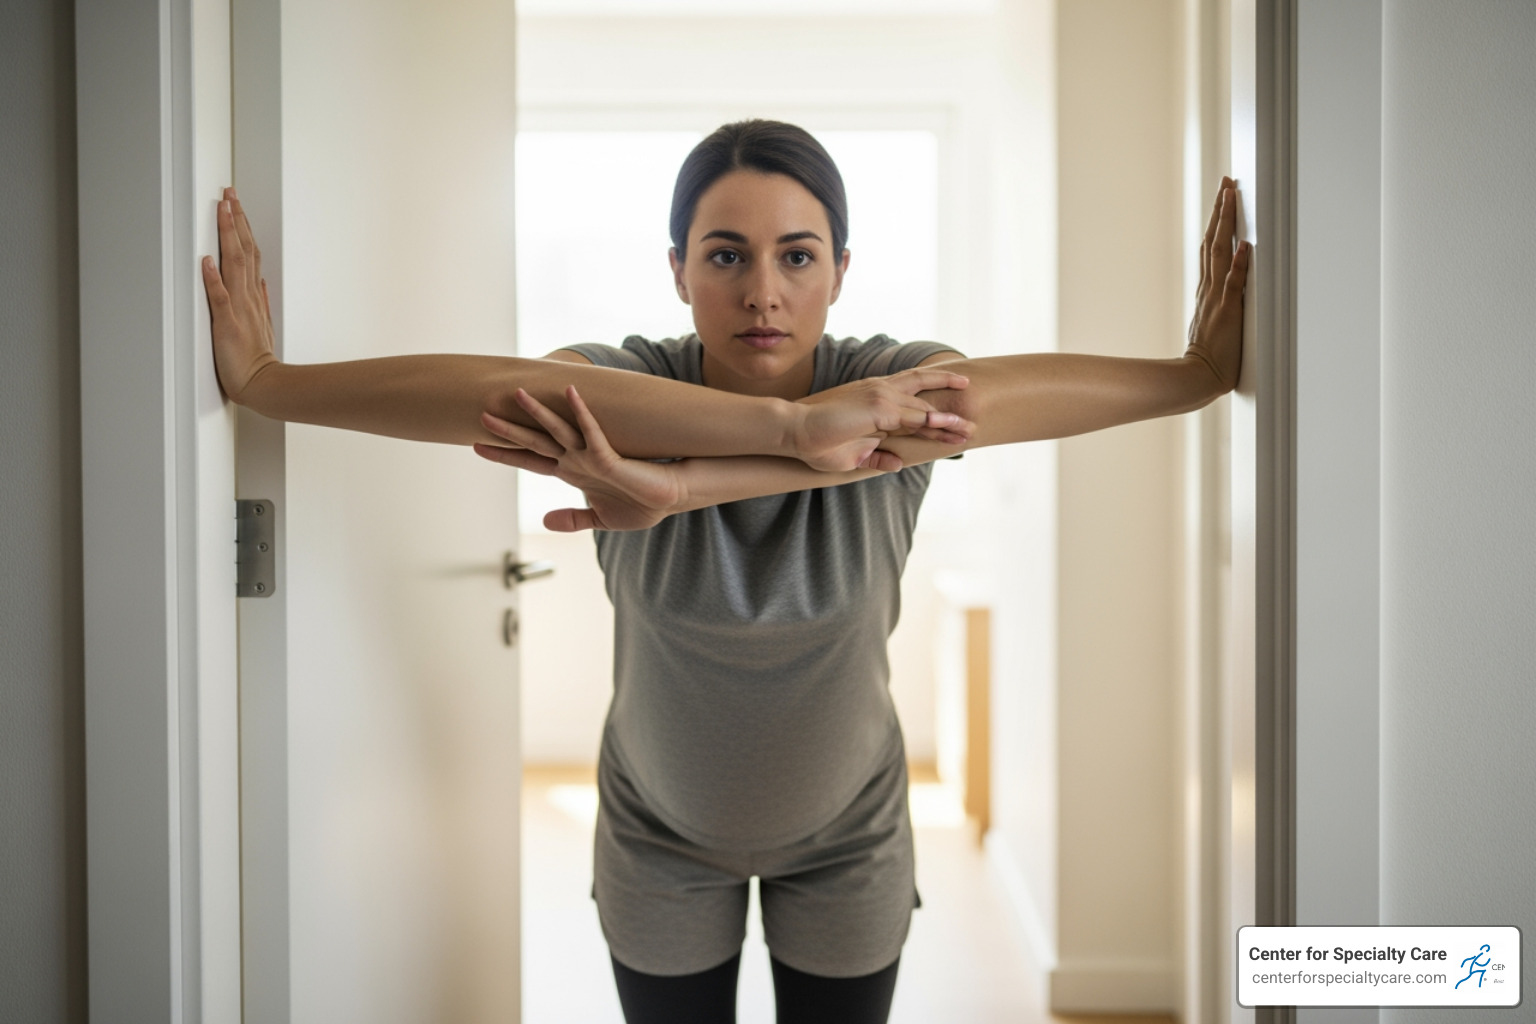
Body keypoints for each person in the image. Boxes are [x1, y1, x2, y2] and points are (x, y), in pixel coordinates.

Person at [203, 119, 1249, 1024]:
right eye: (725, 255)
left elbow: (1022, 402)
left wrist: (1200, 375)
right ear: (676, 269)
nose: (763, 291)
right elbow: (484, 392)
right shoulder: (623, 387)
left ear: (842, 268)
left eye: (799, 256)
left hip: (852, 834)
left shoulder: (885, 383)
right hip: (659, 834)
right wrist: (265, 382)